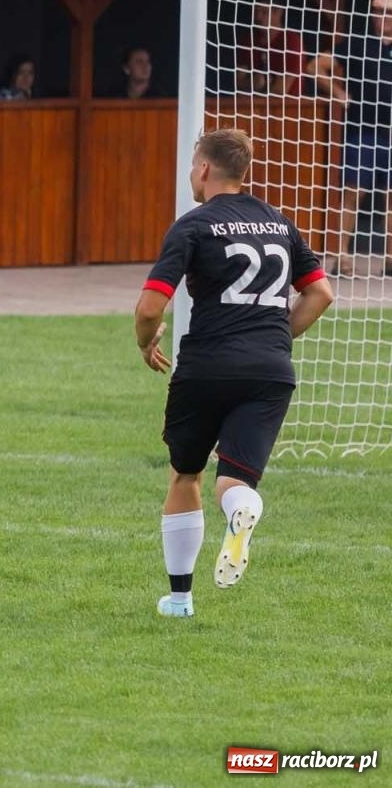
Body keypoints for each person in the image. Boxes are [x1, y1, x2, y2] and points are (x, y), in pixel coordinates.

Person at [135, 129, 333, 619]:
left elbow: (149, 307)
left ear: (203, 169)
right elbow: (321, 293)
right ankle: (244, 508)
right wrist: (276, 338)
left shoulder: (193, 225)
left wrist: (146, 341)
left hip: (207, 367)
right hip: (270, 370)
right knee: (234, 482)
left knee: (186, 474)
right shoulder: (280, 224)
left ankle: (180, 601)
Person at [318, 0, 392, 274]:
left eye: (387, 12)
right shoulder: (358, 44)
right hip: (363, 131)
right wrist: (339, 93)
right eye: (377, 11)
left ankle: (390, 259)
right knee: (353, 193)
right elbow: (316, 67)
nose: (381, 17)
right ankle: (342, 258)